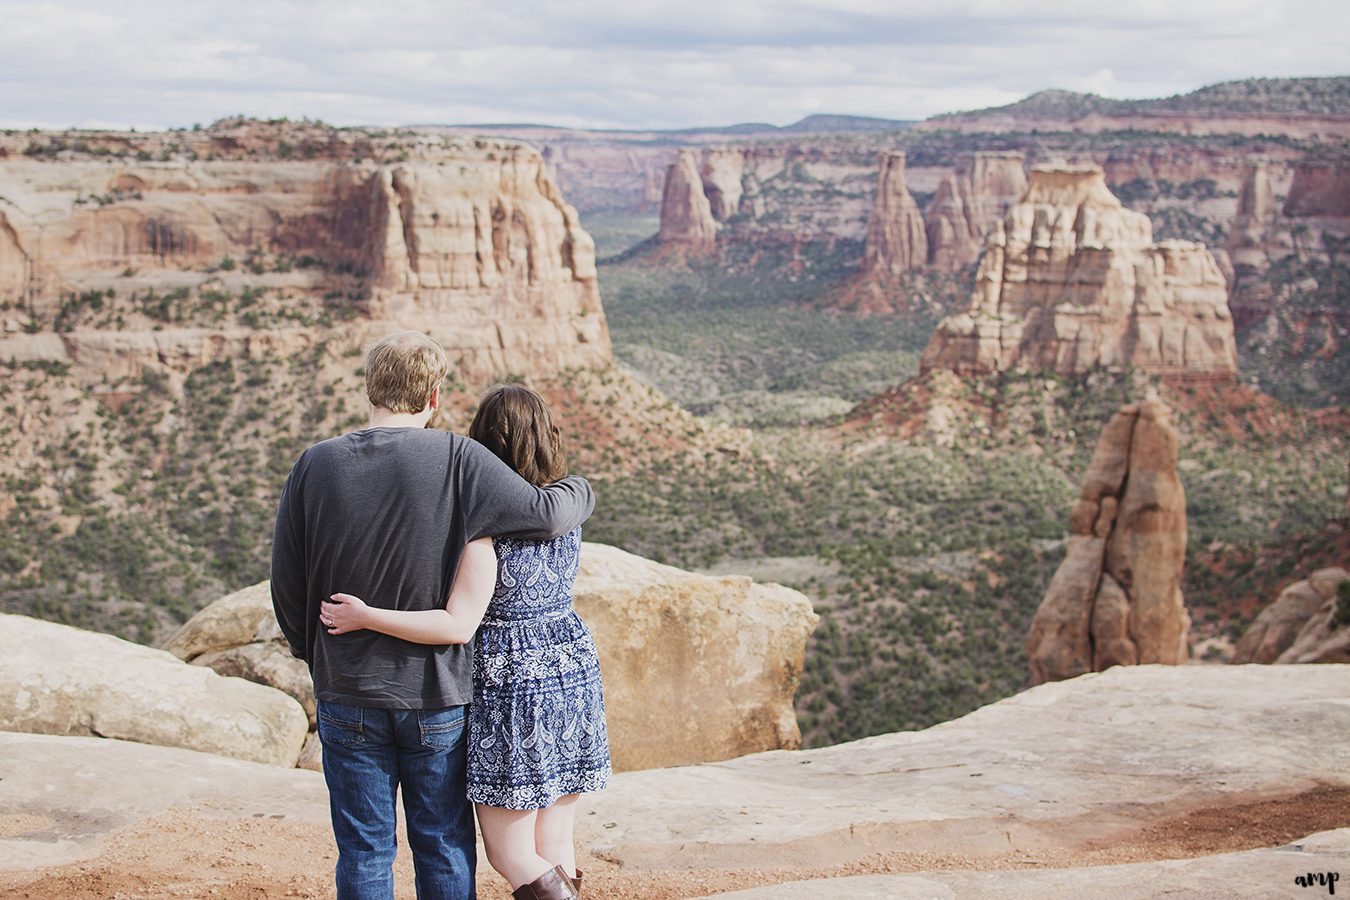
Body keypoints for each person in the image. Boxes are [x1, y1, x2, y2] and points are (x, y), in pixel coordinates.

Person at [271, 333, 595, 900]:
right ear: (435, 397)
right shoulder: (458, 459)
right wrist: (586, 490)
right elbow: (546, 514)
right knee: (443, 842)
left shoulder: (314, 463)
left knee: (365, 848)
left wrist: (319, 653)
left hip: (348, 687)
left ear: (370, 387)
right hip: (436, 692)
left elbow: (287, 580)